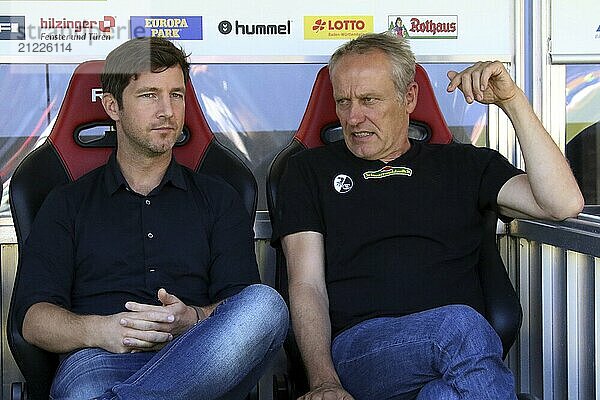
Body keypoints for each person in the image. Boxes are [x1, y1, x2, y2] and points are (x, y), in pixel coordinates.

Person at [273, 32, 583, 400]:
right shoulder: (307, 170)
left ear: (409, 98)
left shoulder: (465, 164)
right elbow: (306, 284)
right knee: (460, 325)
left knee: (445, 393)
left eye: (369, 100)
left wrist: (512, 102)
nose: (353, 118)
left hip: (461, 353)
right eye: (343, 101)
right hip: (363, 353)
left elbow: (563, 203)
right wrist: (324, 382)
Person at [15, 37, 288, 400]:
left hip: (199, 359)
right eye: (149, 95)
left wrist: (191, 319)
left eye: (176, 95)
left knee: (266, 305)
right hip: (100, 359)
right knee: (83, 390)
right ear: (112, 106)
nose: (167, 111)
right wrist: (104, 331)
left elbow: (241, 308)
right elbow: (33, 322)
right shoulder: (67, 203)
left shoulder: (218, 196)